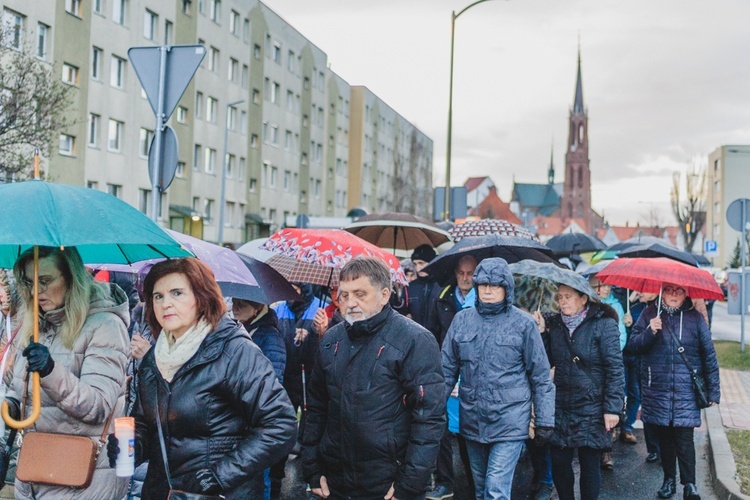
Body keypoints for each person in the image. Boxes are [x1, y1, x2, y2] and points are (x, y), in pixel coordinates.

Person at [113, 258, 297, 498]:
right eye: (158, 296)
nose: (165, 303)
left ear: (202, 297)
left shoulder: (235, 351)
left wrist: (221, 475)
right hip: (163, 491)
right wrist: (134, 445)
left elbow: (281, 424)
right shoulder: (154, 358)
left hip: (217, 494)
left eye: (176, 293)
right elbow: (146, 423)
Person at [302, 257, 445, 499]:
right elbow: (316, 408)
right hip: (336, 481)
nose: (351, 303)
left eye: (360, 294)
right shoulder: (331, 340)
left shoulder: (414, 340)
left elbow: (429, 419)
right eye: (344, 295)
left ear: (384, 294)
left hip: (387, 482)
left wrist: (408, 484)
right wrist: (312, 468)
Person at [5, 246, 130, 499]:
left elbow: (97, 405)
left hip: (83, 479)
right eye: (29, 282)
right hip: (34, 473)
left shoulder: (105, 325)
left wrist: (51, 371)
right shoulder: (36, 325)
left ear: (72, 278)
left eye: (45, 280)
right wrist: (9, 409)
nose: (35, 291)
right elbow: (17, 393)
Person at [443, 257, 555, 500]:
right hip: (472, 419)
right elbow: (446, 369)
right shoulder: (462, 320)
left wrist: (545, 419)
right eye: (483, 285)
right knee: (481, 487)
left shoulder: (523, 324)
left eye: (495, 285)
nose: (488, 290)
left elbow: (540, 375)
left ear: (507, 288)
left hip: (510, 420)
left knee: (496, 490)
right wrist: (431, 409)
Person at [628, 283, 720, 500]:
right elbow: (634, 345)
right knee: (665, 439)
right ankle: (668, 481)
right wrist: (650, 331)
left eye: (679, 291)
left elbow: (709, 356)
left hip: (685, 389)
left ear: (686, 293)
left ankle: (690, 485)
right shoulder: (650, 313)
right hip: (657, 389)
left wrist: (714, 392)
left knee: (685, 439)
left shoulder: (695, 319)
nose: (673, 294)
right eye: (669, 289)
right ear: (662, 291)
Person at [534, 284, 624, 500]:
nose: (562, 301)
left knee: (590, 463)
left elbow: (615, 369)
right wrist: (541, 334)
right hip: (562, 405)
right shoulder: (555, 325)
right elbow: (546, 361)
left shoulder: (603, 324)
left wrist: (612, 408)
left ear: (583, 299)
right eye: (560, 297)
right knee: (559, 462)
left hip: (592, 405)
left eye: (568, 297)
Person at [425, 254, 478, 500]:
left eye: (470, 273)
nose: (465, 278)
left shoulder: (485, 299)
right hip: (445, 372)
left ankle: (475, 482)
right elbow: (432, 335)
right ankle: (445, 482)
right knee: (441, 430)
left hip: (473, 375)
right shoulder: (443, 298)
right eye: (461, 273)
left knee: (469, 433)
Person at [271, 282, 325, 496]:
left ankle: (304, 450)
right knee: (284, 416)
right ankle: (283, 452)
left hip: (307, 372)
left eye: (292, 286)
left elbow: (323, 342)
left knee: (308, 413)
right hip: (285, 371)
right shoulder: (278, 308)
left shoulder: (319, 309)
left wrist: (313, 333)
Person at [587, 274, 634, 470]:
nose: (604, 289)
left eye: (607, 285)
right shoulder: (587, 305)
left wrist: (612, 350)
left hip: (609, 361)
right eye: (600, 285)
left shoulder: (616, 306)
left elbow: (621, 334)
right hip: (589, 364)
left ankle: (606, 451)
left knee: (610, 403)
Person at [625, 291, 661, 463]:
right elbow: (632, 340)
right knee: (646, 406)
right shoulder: (637, 309)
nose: (641, 292)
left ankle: (665, 448)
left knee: (661, 407)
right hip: (642, 364)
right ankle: (653, 447)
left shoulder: (664, 311)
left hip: (661, 367)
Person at [407, 244, 441, 328]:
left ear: (432, 262)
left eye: (421, 263)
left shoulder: (441, 286)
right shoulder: (410, 287)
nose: (418, 268)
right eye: (415, 264)